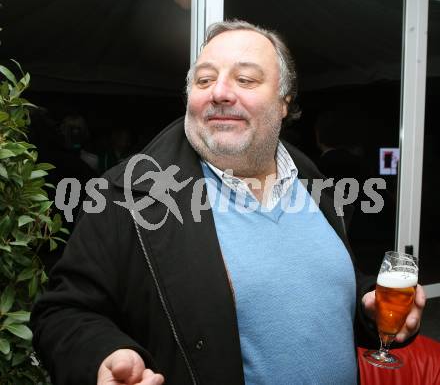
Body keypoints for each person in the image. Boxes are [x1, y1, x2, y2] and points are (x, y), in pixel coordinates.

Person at [31, 20, 425, 385]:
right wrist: (103, 356)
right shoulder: (126, 195)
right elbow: (63, 312)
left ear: (284, 101)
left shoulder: (314, 183)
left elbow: (315, 291)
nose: (219, 92)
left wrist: (368, 309)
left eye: (246, 78)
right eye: (204, 79)